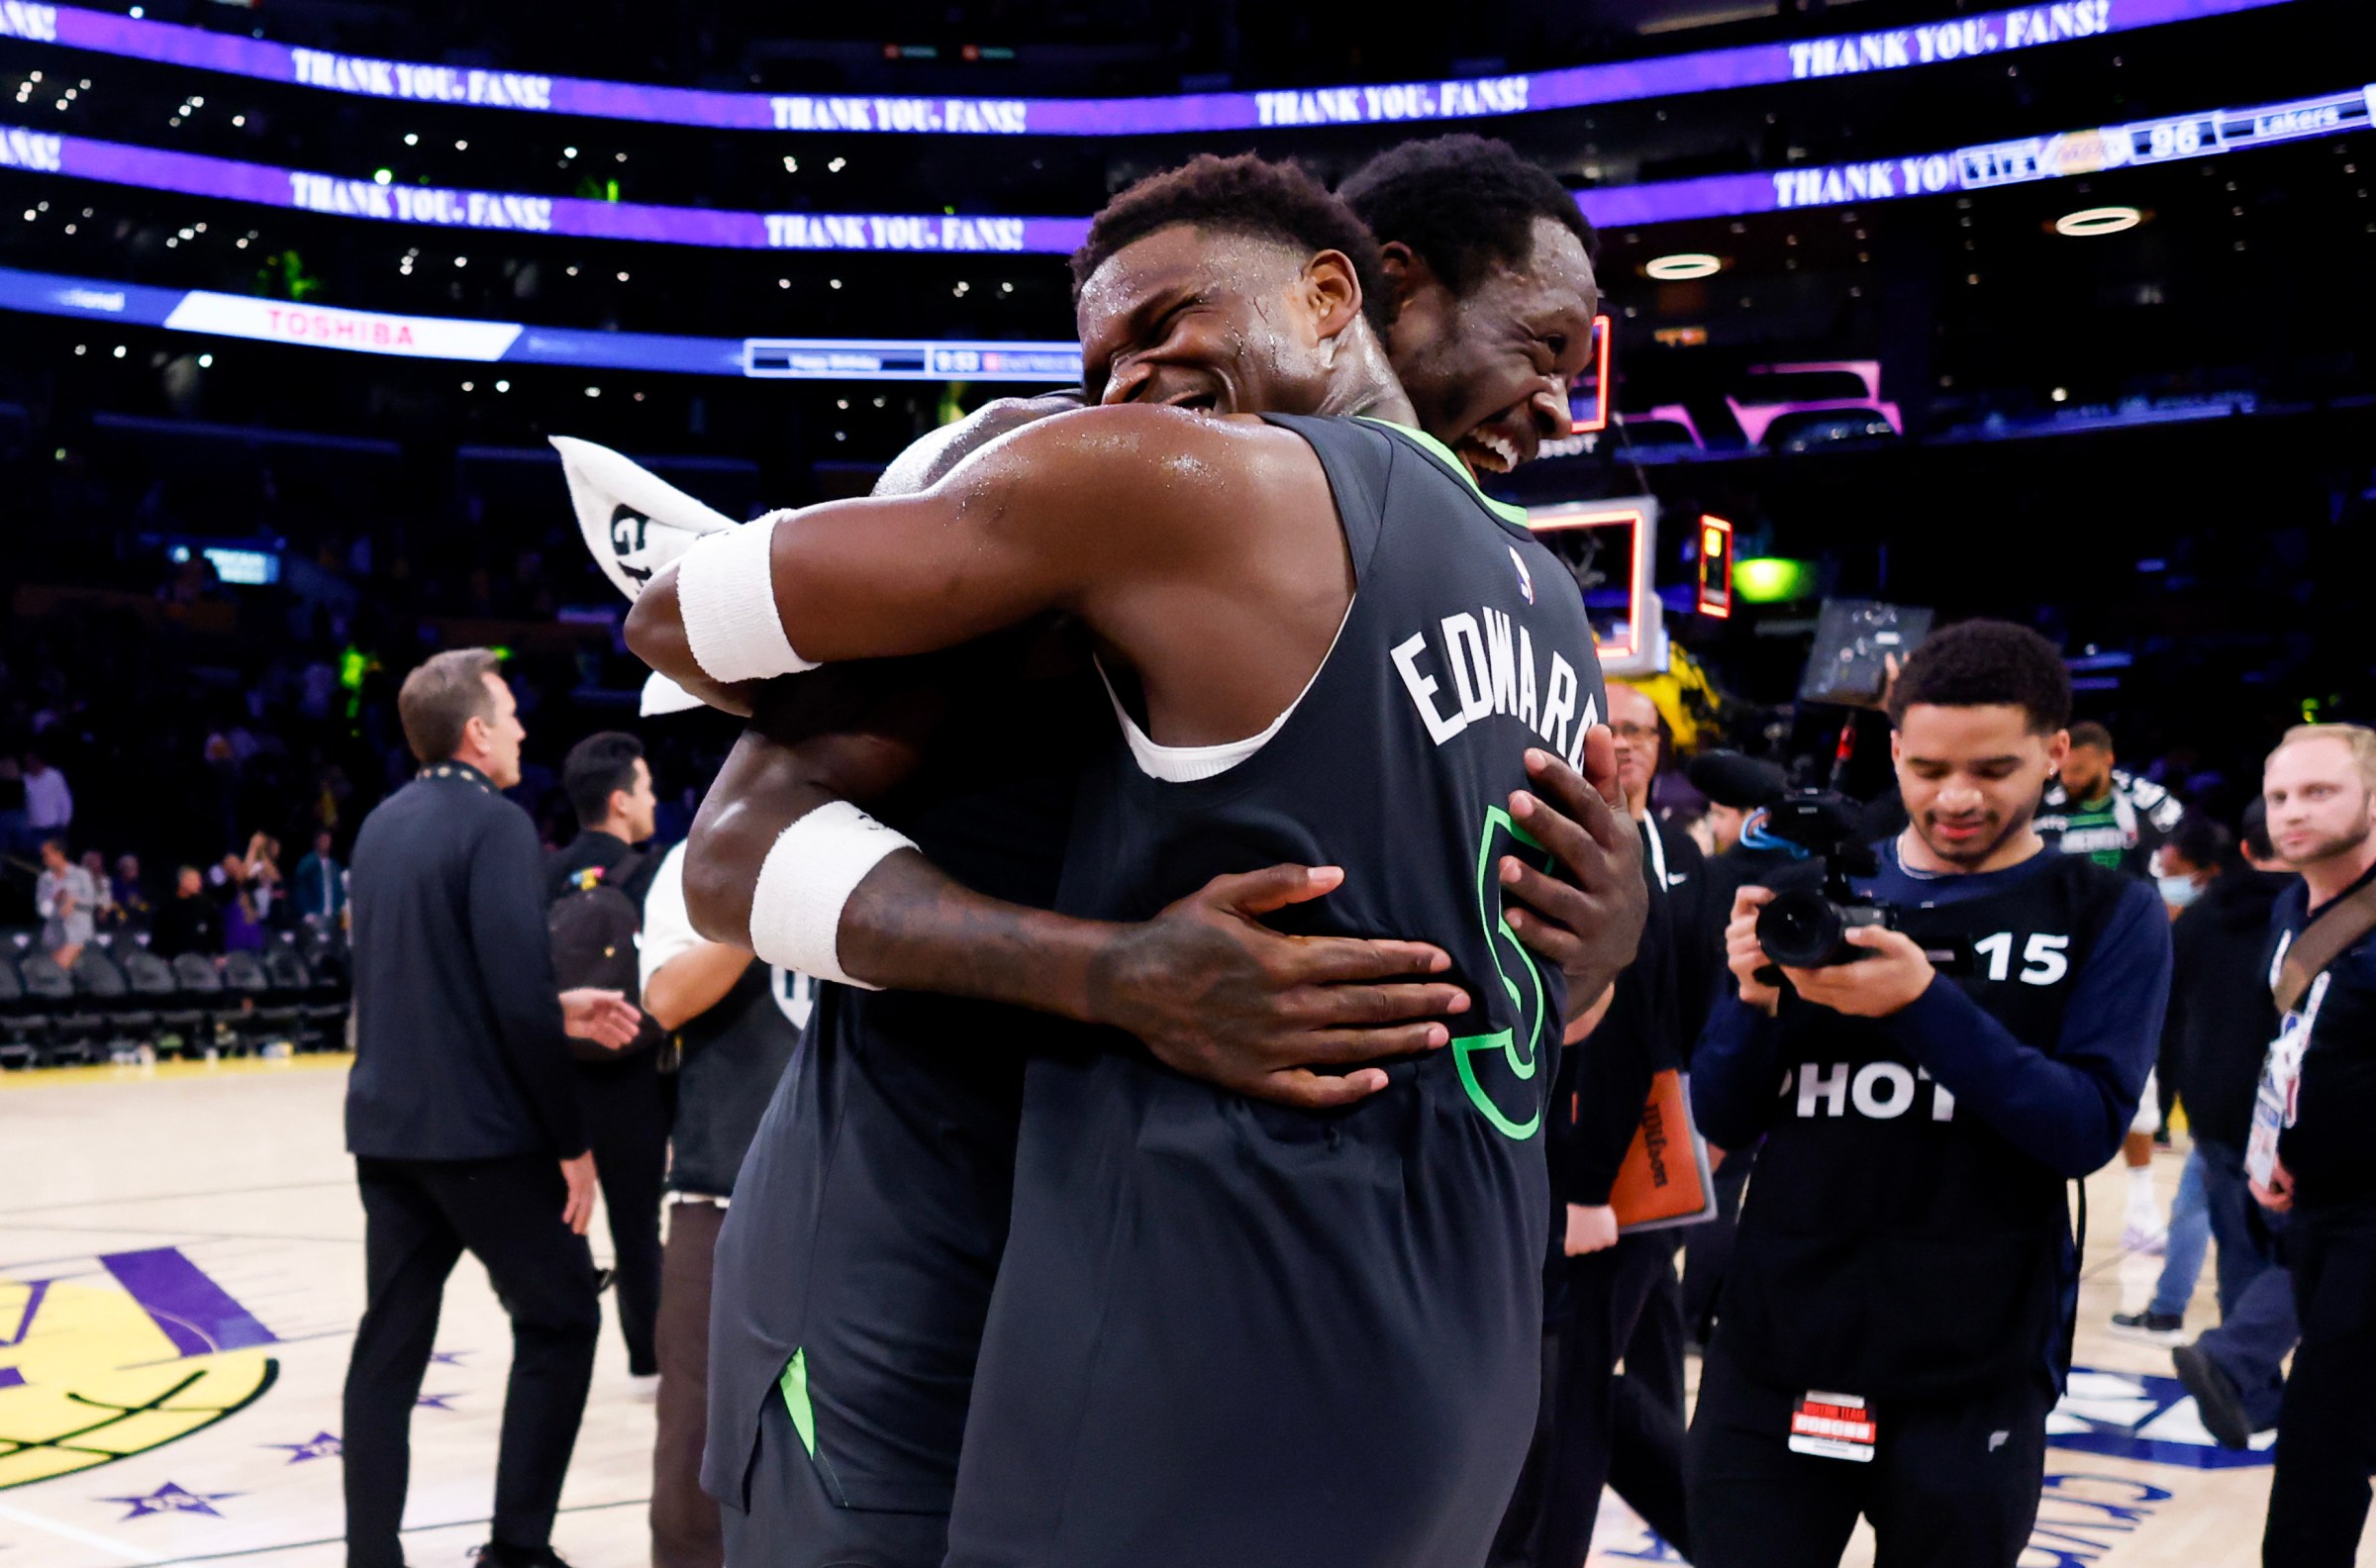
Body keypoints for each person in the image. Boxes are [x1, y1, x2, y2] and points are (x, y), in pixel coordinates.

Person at [578, 138, 1631, 1568]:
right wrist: (1114, 973)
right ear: (1367, 293)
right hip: (912, 1241)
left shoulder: (1507, 588)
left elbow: (1507, 1003)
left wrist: (1610, 929)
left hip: (1171, 1297)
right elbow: (736, 852)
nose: (1558, 397)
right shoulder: (1079, 470)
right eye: (1539, 341)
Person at [1686, 620, 2170, 1568]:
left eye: (1994, 770)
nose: (1955, 798)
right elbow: (1720, 1114)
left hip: (1973, 1365)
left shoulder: (2110, 910)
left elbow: (2081, 1128)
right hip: (1777, 1342)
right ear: (1896, 749)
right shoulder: (1814, 891)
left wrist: (1919, 1000)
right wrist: (1749, 1003)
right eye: (1929, 767)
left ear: (2055, 755)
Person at [341, 647, 644, 1568]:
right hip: (480, 1135)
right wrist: (572, 1142)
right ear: (477, 733)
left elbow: (427, 983)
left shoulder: (380, 827)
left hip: (389, 1133)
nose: (521, 731)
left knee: (388, 1351)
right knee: (562, 1319)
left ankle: (371, 1558)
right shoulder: (500, 826)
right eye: (509, 716)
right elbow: (511, 998)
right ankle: (517, 1551)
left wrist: (559, 1007)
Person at [637, 839, 808, 1568]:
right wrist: (764, 905)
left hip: (872, 1194)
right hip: (722, 1192)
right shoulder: (705, 852)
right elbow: (667, 997)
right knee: (698, 1438)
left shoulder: (899, 832)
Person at [2242, 724, 2376, 1564]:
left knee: (2321, 1445)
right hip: (2316, 1213)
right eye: (2283, 795)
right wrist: (2277, 1149)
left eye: (2319, 792)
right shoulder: (2294, 905)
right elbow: (2305, 1050)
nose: (2292, 812)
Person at [2115, 807, 2293, 1375]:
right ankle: (2227, 1356)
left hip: (2217, 1100)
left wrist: (2168, 1100)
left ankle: (2217, 1347)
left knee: (2232, 1230)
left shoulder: (2203, 917)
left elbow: (2167, 1015)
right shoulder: (2312, 914)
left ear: (2240, 851)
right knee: (2257, 1233)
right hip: (2292, 1105)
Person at [546, 731, 669, 1381]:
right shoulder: (653, 875)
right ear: (621, 802)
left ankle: (561, 1353)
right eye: (647, 789)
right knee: (636, 1226)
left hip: (558, 1077)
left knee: (562, 1221)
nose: (654, 800)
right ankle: (646, 1361)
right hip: (632, 1074)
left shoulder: (541, 874)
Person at [2037, 721, 2184, 876]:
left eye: (2079, 770)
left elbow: (2182, 853)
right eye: (2063, 771)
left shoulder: (2149, 801)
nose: (2067, 779)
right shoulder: (2046, 808)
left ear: (2108, 759)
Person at [34, 838, 96, 969]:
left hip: (77, 933)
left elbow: (91, 902)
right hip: (54, 935)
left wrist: (73, 900)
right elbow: (42, 910)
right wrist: (54, 901)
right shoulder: (45, 879)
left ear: (59, 854)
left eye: (46, 854)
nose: (44, 858)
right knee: (50, 972)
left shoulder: (81, 874)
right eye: (42, 855)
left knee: (57, 969)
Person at [149, 865, 222, 959]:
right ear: (183, 882)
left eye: (199, 880)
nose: (199, 884)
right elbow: (159, 937)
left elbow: (215, 931)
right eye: (195, 880)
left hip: (203, 960)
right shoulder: (168, 907)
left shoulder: (206, 904)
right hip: (176, 960)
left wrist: (218, 954)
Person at [294, 829, 347, 924]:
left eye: (328, 840)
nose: (326, 843)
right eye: (323, 840)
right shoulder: (307, 863)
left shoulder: (334, 865)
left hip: (333, 915)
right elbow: (300, 888)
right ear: (316, 841)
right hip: (314, 915)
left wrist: (342, 908)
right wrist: (306, 912)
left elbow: (340, 890)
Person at [22, 751, 71, 847]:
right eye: (27, 762)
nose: (30, 764)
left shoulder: (54, 776)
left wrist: (65, 821)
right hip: (34, 829)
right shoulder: (25, 779)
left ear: (39, 761)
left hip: (54, 827)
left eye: (32, 761)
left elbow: (64, 800)